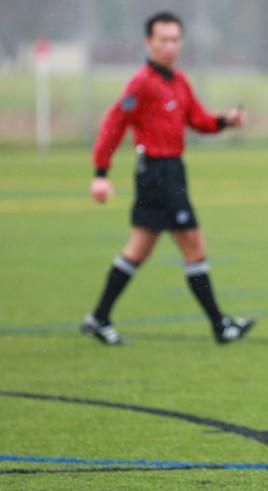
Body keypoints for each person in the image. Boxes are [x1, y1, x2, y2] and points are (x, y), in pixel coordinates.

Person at [81, 11, 255, 346]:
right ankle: (221, 326)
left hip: (173, 170)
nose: (170, 46)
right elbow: (114, 124)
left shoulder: (178, 81)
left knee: (138, 250)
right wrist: (100, 173)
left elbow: (199, 120)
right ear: (148, 42)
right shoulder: (141, 83)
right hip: (157, 174)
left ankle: (98, 318)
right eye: (163, 39)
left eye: (175, 39)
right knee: (194, 245)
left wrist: (226, 121)